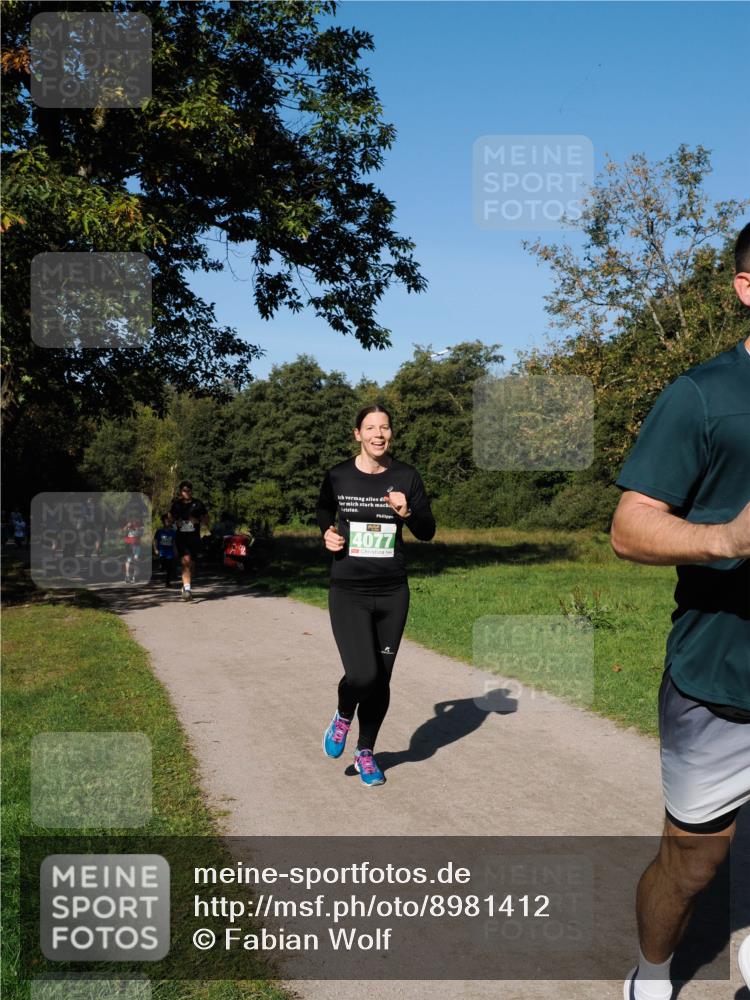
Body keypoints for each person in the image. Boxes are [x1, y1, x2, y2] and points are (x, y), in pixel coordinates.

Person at [612, 221, 750, 1000]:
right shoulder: (702, 396)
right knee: (693, 863)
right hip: (723, 680)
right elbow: (629, 527)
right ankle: (654, 971)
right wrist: (725, 536)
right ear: (746, 288)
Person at [316, 404, 436, 786]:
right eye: (370, 428)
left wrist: (407, 513)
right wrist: (326, 533)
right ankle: (342, 715)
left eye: (384, 428)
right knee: (363, 675)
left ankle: (365, 751)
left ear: (391, 434)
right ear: (358, 434)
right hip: (348, 590)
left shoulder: (406, 476)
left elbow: (428, 531)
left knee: (381, 679)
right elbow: (324, 509)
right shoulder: (338, 476)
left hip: (392, 592)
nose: (378, 434)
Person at [169, 480, 209, 601]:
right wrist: (176, 522)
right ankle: (187, 590)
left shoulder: (198, 504)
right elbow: (170, 518)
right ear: (180, 491)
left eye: (188, 490)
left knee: (192, 566)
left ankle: (185, 585)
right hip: (181, 538)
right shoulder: (177, 504)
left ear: (191, 491)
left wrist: (198, 521)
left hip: (194, 538)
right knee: (185, 561)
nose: (186, 492)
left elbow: (207, 519)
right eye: (184, 490)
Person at [153, 512, 177, 587]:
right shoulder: (159, 531)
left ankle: (167, 582)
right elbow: (155, 541)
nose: (167, 522)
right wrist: (155, 549)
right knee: (163, 561)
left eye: (169, 521)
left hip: (170, 552)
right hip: (162, 551)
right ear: (163, 522)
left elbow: (173, 542)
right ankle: (161, 565)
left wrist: (175, 551)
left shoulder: (173, 532)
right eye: (166, 521)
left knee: (169, 567)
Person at [122, 514, 144, 583]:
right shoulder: (129, 523)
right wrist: (127, 526)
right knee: (129, 560)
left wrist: (138, 530)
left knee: (136, 560)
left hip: (137, 544)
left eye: (137, 517)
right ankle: (127, 576)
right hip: (129, 544)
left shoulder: (140, 524)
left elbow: (141, 534)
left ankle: (135, 576)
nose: (135, 518)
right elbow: (124, 531)